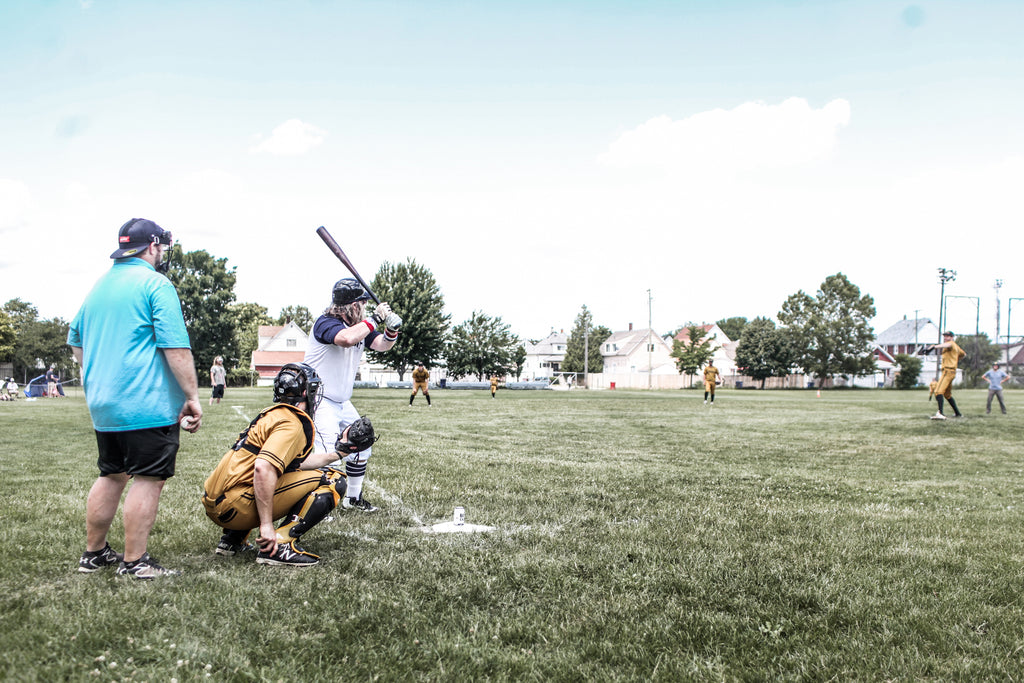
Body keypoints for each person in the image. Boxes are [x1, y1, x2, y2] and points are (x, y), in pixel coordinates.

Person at [68, 218, 202, 579]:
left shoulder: (99, 286)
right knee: (148, 478)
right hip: (145, 401)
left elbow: (76, 339)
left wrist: (102, 373)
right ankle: (135, 561)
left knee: (112, 474)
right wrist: (192, 395)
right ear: (153, 246)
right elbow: (175, 347)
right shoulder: (155, 284)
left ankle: (93, 554)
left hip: (104, 402)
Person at [201, 363, 378, 567]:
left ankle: (233, 539)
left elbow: (293, 465)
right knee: (333, 479)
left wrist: (337, 454)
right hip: (235, 505)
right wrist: (266, 525)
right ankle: (281, 544)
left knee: (272, 474)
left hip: (218, 501)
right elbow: (263, 468)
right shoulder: (292, 423)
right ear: (305, 392)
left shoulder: (273, 414)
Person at [304, 278, 401, 513]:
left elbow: (380, 344)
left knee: (362, 443)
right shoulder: (325, 323)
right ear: (353, 305)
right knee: (329, 455)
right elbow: (346, 340)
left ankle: (353, 499)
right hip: (320, 400)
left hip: (341, 400)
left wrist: (391, 330)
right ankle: (316, 505)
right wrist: (376, 318)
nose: (366, 309)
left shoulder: (359, 327)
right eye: (363, 304)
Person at [929, 331, 966, 420]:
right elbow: (964, 354)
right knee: (947, 394)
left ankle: (940, 413)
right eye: (945, 336)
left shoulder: (951, 344)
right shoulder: (956, 347)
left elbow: (948, 345)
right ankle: (958, 413)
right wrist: (954, 358)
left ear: (952, 337)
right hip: (952, 372)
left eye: (948, 336)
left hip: (947, 371)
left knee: (938, 391)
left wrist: (934, 347)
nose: (946, 338)